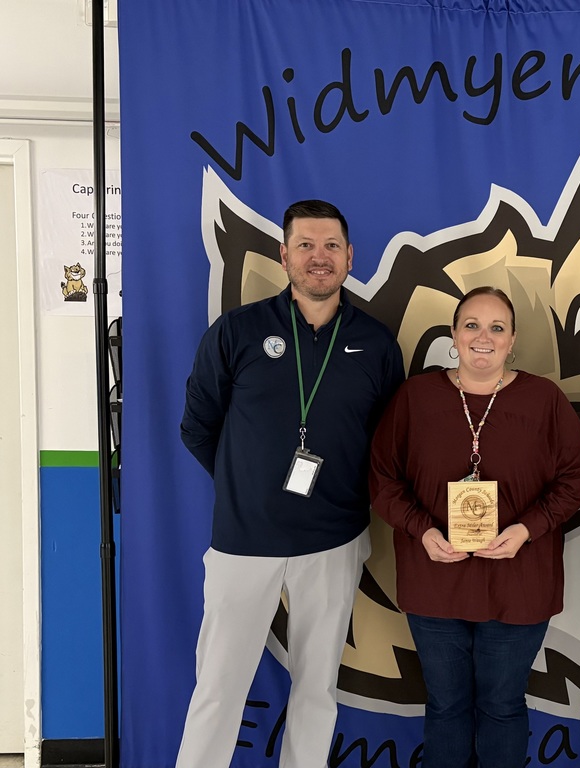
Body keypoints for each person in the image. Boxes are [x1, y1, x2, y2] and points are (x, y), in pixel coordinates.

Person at [178, 200, 404, 768]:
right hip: (242, 542)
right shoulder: (238, 331)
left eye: (331, 246)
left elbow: (387, 445)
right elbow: (197, 427)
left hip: (333, 540)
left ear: (351, 257)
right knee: (217, 689)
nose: (318, 257)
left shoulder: (376, 344)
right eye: (305, 245)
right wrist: (244, 486)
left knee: (317, 689)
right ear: (284, 255)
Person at [369, 286, 580, 768]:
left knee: (502, 707)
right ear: (454, 334)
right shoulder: (416, 397)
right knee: (446, 707)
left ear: (513, 340)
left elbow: (576, 478)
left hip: (519, 582)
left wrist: (528, 529)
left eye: (497, 328)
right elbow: (383, 478)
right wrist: (421, 530)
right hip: (435, 582)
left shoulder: (543, 400)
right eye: (471, 325)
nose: (483, 337)